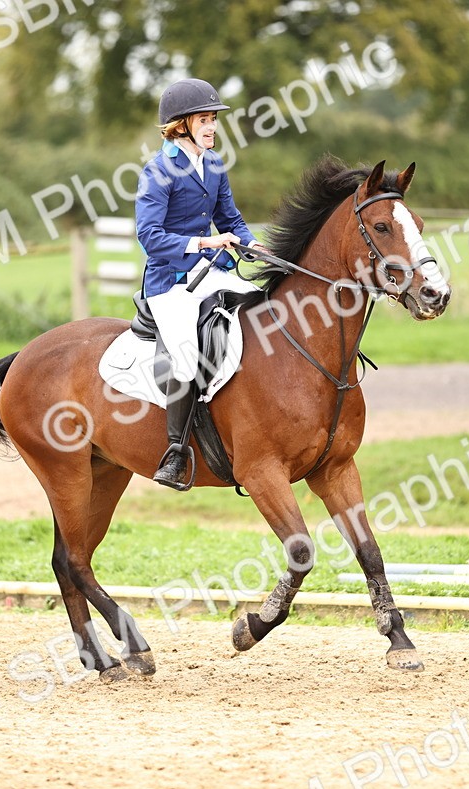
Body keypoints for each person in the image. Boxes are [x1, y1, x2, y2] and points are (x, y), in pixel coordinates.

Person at [135, 78, 265, 490]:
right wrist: (203, 241)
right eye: (204, 120)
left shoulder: (214, 165)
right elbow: (149, 235)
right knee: (188, 358)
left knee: (261, 311)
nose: (212, 127)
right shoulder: (157, 171)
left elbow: (231, 220)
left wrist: (252, 243)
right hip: (169, 281)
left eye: (213, 120)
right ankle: (175, 451)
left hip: (211, 273)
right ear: (180, 126)